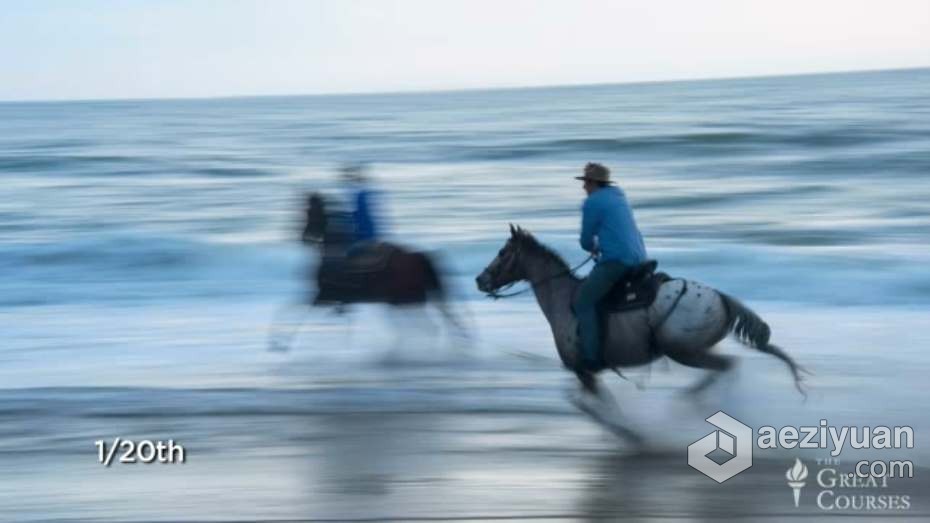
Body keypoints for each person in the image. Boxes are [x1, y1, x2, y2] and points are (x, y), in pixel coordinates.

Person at [573, 162, 648, 371]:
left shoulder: (592, 203)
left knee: (583, 302)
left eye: (586, 182)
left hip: (617, 260)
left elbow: (586, 240)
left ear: (594, 183)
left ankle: (592, 359)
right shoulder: (619, 195)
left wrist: (593, 247)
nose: (583, 187)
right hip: (640, 257)